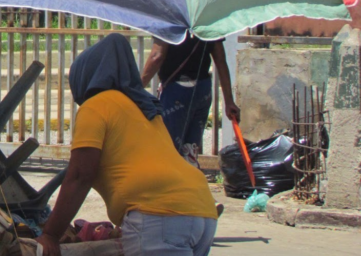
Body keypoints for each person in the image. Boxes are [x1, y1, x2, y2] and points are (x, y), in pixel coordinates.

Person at [36, 34, 218, 256]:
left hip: (159, 214)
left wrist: (50, 234)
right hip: (202, 208)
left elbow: (79, 175)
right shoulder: (146, 108)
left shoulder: (95, 107)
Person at [141, 36, 240, 165]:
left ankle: (173, 182)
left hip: (177, 91)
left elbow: (157, 56)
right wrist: (229, 101)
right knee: (190, 149)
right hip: (203, 89)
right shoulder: (207, 18)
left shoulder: (171, 17)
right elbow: (220, 60)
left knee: (170, 147)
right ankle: (190, 179)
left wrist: (137, 87)